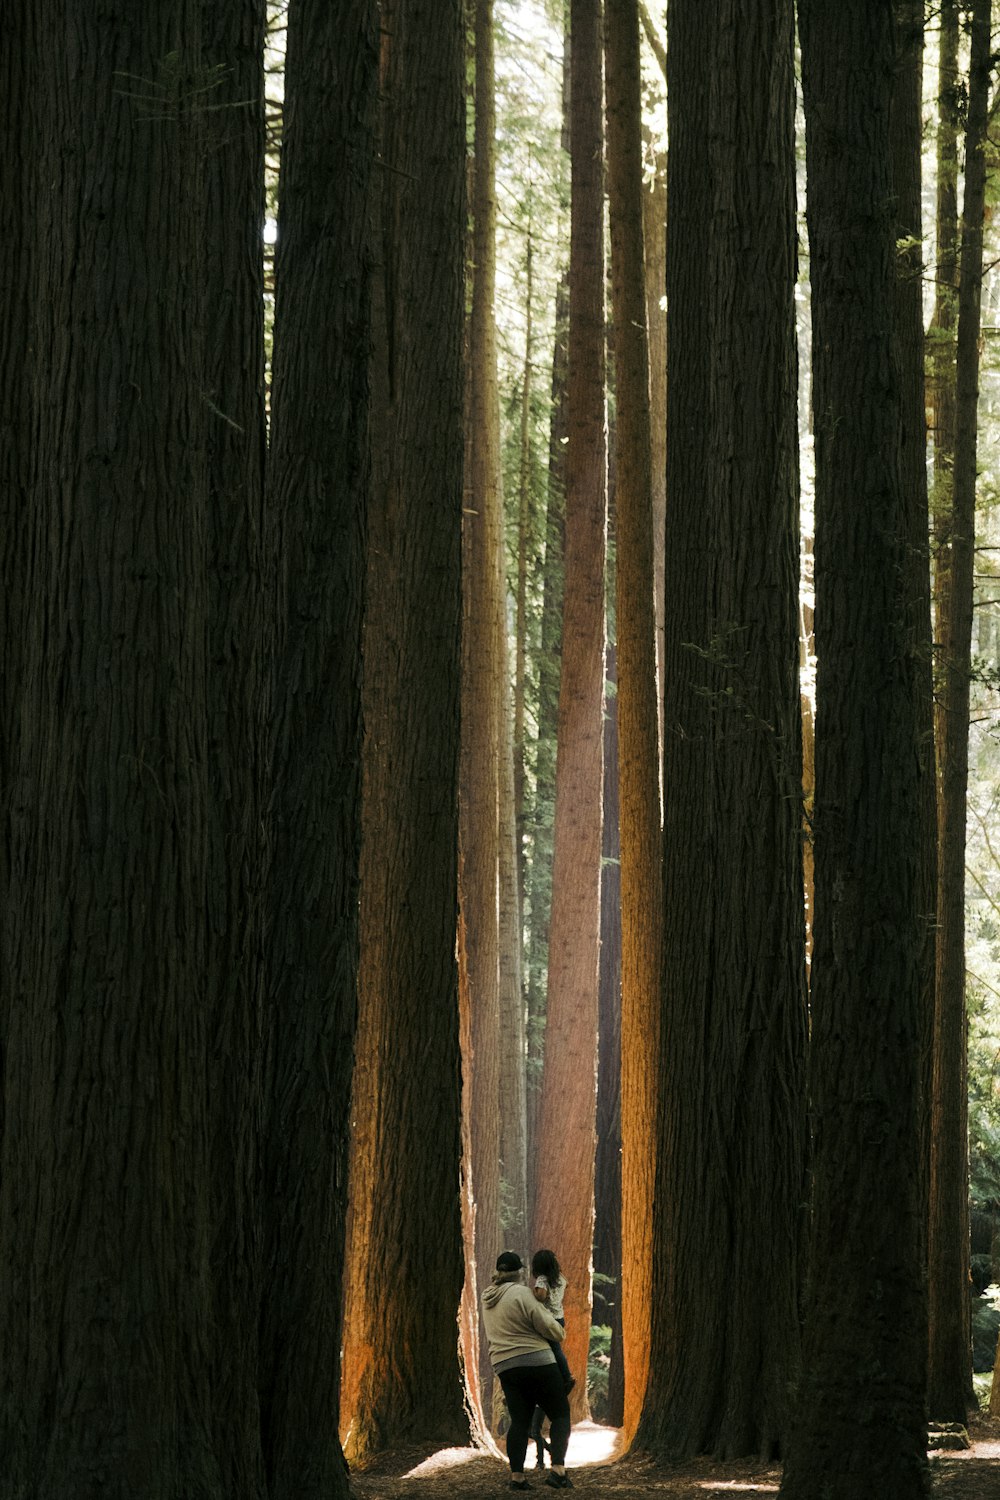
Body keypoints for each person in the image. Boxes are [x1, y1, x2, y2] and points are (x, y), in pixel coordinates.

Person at [481, 1250, 574, 1491]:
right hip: (538, 1362)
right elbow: (546, 1324)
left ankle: (517, 1477)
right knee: (560, 1413)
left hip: (505, 1366)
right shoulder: (523, 1293)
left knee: (519, 1421)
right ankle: (558, 1471)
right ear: (519, 1272)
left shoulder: (487, 1297)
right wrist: (560, 1332)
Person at [528, 1248, 573, 1469]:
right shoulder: (560, 1278)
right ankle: (565, 1375)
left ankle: (565, 1377)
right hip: (560, 1318)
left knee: (551, 1349)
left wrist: (532, 1294)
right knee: (557, 1349)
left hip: (547, 1319)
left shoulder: (543, 1279)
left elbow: (540, 1296)